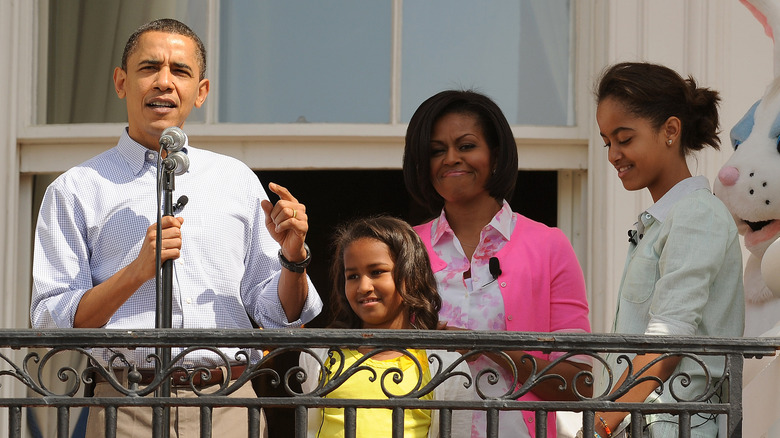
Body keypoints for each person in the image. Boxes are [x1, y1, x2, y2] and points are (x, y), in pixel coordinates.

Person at [29, 18, 323, 438]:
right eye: (149, 68)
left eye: (180, 71)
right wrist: (135, 272)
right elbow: (49, 323)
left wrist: (293, 258)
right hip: (123, 405)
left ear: (201, 92)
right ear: (120, 82)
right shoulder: (76, 189)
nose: (164, 82)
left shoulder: (235, 180)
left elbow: (278, 318)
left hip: (226, 402)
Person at [402, 90, 592, 438]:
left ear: (496, 154)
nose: (451, 159)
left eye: (466, 146)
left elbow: (580, 382)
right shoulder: (403, 248)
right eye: (436, 151)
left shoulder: (549, 246)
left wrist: (488, 346)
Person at [591, 62, 744, 437]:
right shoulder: (664, 220)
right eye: (607, 141)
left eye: (625, 139)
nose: (613, 154)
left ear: (670, 130)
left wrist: (598, 426)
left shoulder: (696, 214)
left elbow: (666, 340)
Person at [299, 215, 474, 438]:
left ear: (412, 277)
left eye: (376, 272)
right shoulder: (320, 357)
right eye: (352, 276)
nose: (363, 286)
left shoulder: (446, 366)